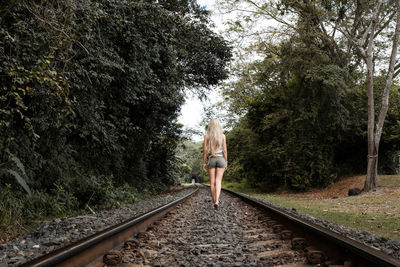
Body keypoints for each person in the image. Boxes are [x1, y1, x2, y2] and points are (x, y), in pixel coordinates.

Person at [203, 119, 227, 210]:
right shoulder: (223, 136)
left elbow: (205, 151)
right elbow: (224, 150)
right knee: (218, 181)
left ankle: (214, 201)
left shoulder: (207, 136)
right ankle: (217, 201)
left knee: (212, 183)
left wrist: (204, 162)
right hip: (221, 159)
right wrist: (226, 161)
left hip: (211, 159)